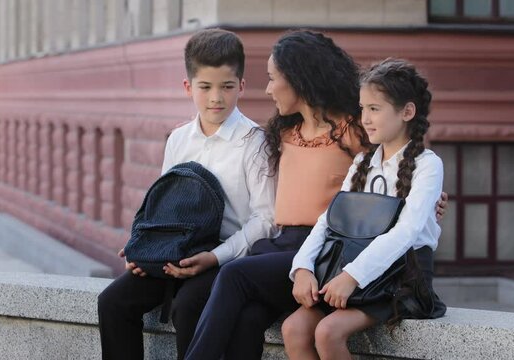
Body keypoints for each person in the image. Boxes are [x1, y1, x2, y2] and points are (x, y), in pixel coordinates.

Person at [184, 31, 448, 360]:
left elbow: (403, 184)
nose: (266, 88)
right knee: (241, 312)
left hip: (348, 254)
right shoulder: (282, 132)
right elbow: (325, 209)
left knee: (235, 276)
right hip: (295, 247)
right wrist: (302, 267)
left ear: (299, 78)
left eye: (272, 78)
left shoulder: (356, 132)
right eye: (365, 108)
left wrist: (429, 203)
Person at [97, 28, 276, 360]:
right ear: (188, 87)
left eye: (226, 87)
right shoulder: (178, 139)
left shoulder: (255, 143)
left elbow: (266, 220)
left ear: (241, 86)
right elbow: (165, 207)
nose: (215, 99)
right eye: (205, 87)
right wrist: (145, 247)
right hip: (178, 251)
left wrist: (216, 256)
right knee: (113, 303)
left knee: (187, 307)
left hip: (226, 258)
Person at [283, 58, 447, 360]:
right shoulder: (362, 163)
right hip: (350, 264)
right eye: (363, 108)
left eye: (375, 108)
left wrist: (352, 277)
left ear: (407, 112)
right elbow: (329, 220)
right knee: (294, 329)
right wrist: (303, 267)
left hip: (402, 275)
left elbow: (406, 233)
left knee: (328, 332)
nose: (365, 118)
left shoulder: (428, 165)